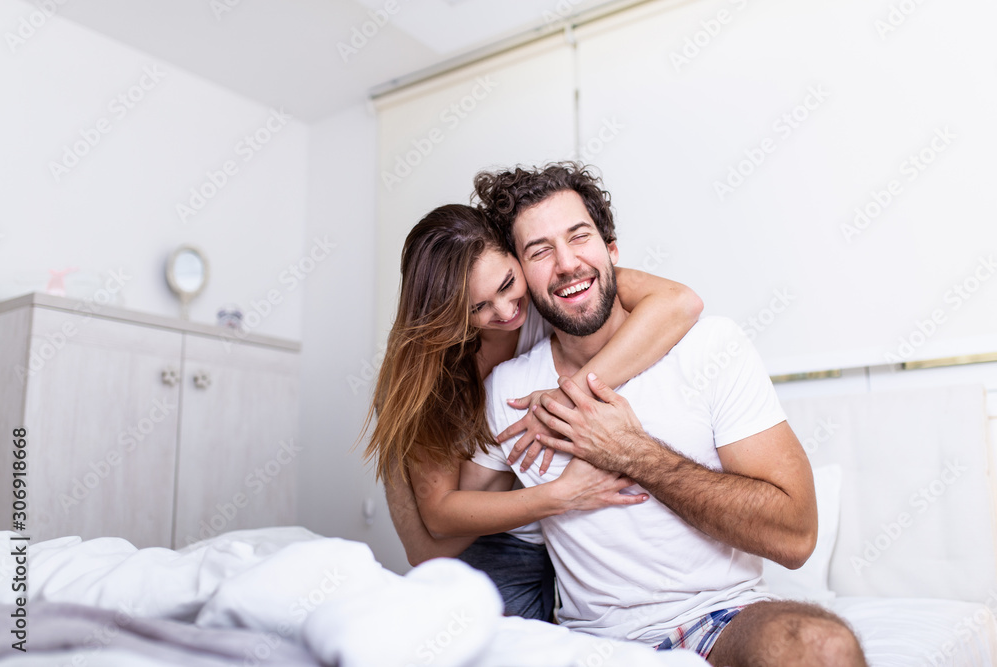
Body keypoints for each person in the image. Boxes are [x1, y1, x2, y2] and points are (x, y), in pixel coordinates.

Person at [426, 163, 867, 665]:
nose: (567, 263)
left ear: (611, 251)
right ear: (522, 277)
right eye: (540, 251)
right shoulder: (509, 387)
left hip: (718, 619)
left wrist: (633, 454)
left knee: (822, 648)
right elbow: (448, 517)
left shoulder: (709, 347)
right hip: (590, 644)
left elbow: (796, 535)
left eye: (579, 236)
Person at [363, 203, 704, 621]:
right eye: (478, 308)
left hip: (573, 541)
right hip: (506, 543)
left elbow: (679, 302)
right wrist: (560, 496)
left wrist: (566, 395)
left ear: (516, 253)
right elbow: (432, 533)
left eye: (508, 283)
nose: (507, 313)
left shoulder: (559, 290)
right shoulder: (437, 373)